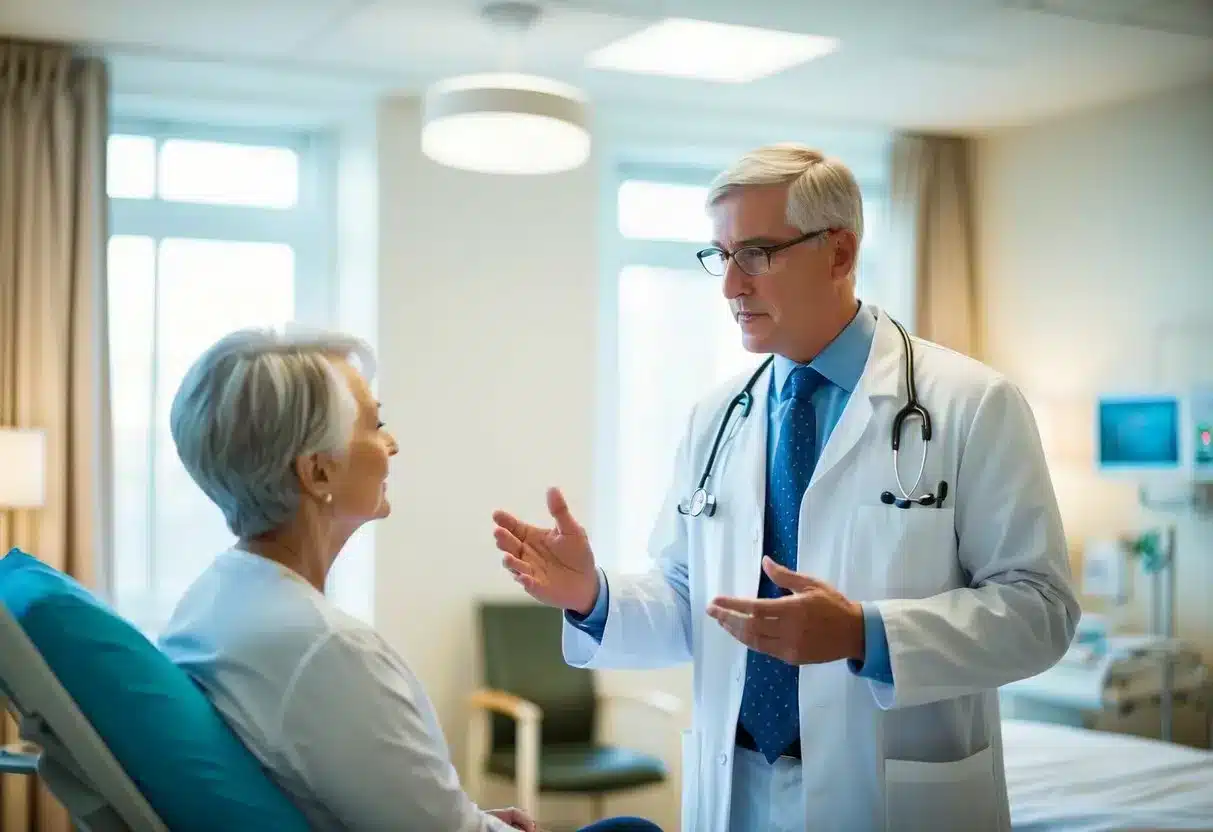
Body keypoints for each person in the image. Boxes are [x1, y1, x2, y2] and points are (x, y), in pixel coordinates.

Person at [491, 144, 1080, 831]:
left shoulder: (971, 403)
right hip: (736, 785)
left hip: (892, 794)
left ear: (839, 253)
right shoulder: (716, 415)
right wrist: (591, 597)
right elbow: (691, 600)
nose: (729, 287)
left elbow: (1040, 611)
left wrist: (865, 634)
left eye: (756, 253)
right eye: (721, 255)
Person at [158, 328, 663, 832]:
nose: (392, 444)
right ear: (318, 473)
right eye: (375, 425)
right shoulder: (328, 649)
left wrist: (475, 819)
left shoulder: (214, 598)